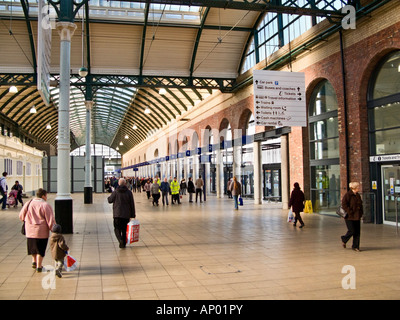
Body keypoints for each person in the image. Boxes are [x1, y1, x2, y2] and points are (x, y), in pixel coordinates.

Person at [19, 188, 56, 272]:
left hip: (29, 230)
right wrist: (53, 229)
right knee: (40, 248)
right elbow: (50, 219)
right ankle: (39, 266)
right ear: (43, 196)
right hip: (41, 231)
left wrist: (28, 222)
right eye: (46, 196)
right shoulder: (45, 205)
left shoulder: (29, 203)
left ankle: (34, 262)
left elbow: (21, 215)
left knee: (33, 247)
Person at [107, 178, 136, 248]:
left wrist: (109, 197)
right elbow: (132, 204)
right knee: (124, 229)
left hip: (117, 214)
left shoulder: (116, 192)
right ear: (125, 184)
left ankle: (120, 240)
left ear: (119, 184)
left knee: (116, 228)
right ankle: (123, 243)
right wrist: (133, 214)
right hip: (126, 215)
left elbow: (110, 200)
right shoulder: (129, 192)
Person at [341, 182, 363, 252]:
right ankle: (344, 239)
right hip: (349, 217)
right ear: (354, 188)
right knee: (352, 230)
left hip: (357, 216)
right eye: (358, 187)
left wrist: (361, 212)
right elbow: (344, 204)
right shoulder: (348, 195)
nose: (359, 188)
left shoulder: (357, 195)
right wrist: (349, 211)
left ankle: (355, 246)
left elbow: (360, 204)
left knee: (357, 232)